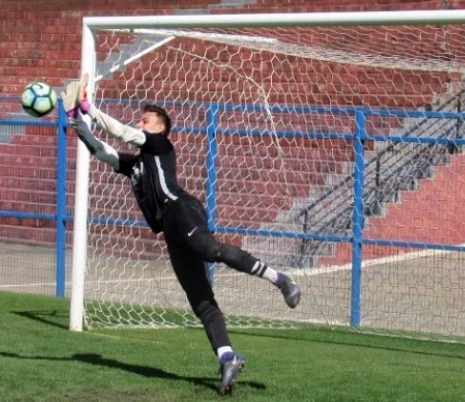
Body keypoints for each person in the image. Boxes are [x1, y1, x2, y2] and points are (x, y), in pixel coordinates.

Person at [62, 75, 301, 395]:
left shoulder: (159, 144)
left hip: (181, 209)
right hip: (169, 230)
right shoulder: (135, 165)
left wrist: (89, 107)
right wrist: (75, 119)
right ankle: (228, 358)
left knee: (210, 250)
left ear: (159, 128)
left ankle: (281, 279)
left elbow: (120, 131)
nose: (140, 122)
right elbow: (100, 149)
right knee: (200, 300)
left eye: (145, 119)